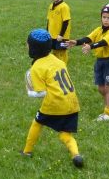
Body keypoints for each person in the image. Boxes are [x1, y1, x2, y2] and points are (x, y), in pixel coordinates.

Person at [21, 29, 83, 168]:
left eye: (28, 44)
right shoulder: (57, 60)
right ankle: (76, 155)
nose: (27, 46)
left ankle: (27, 151)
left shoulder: (37, 67)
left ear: (33, 49)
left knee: (37, 122)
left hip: (55, 103)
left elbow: (41, 93)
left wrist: (29, 90)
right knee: (65, 134)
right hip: (72, 102)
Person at [68, 4, 109, 121]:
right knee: (101, 89)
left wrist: (90, 47)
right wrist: (76, 42)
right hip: (100, 62)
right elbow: (88, 38)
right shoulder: (99, 29)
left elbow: (103, 42)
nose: (106, 20)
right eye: (104, 17)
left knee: (108, 88)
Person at [46, 0, 71, 64]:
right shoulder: (51, 6)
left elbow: (66, 22)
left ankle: (63, 66)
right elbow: (49, 20)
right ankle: (56, 66)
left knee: (62, 52)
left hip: (61, 36)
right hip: (52, 34)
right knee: (54, 51)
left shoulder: (64, 7)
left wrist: (61, 35)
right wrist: (47, 32)